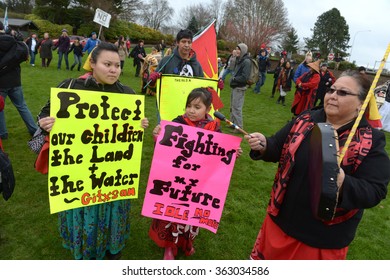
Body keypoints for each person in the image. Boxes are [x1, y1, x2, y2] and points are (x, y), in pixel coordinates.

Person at [245, 69, 390, 260]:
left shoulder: (370, 140)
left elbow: (375, 190)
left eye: (343, 93)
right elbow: (278, 146)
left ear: (361, 104)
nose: (332, 96)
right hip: (280, 221)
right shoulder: (307, 118)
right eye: (331, 90)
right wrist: (264, 145)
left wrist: (342, 181)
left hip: (321, 240)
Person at [36, 42, 149, 260]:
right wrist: (45, 123)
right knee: (83, 213)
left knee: (112, 213)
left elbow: (129, 140)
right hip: (79, 175)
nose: (113, 70)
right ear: (93, 64)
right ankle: (84, 248)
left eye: (117, 65)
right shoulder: (70, 87)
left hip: (113, 176)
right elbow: (43, 113)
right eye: (107, 64)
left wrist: (139, 125)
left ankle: (111, 248)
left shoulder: (128, 94)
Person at [149, 87, 241, 260]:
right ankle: (169, 246)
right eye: (189, 106)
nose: (191, 110)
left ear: (207, 109)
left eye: (197, 107)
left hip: (199, 182)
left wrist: (231, 152)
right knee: (172, 214)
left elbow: (219, 153)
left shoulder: (214, 127)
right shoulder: (178, 122)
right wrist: (157, 136)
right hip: (176, 179)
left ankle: (186, 243)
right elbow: (164, 148)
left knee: (191, 214)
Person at [0, 21, 38, 140]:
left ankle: (2, 133)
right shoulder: (14, 41)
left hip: (1, 82)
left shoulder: (13, 41)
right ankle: (34, 130)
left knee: (0, 108)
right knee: (22, 106)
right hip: (15, 80)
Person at [229, 43, 251, 133]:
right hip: (235, 86)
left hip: (239, 87)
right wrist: (233, 57)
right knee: (233, 106)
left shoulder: (246, 61)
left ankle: (239, 127)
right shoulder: (240, 59)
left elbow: (245, 77)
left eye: (239, 49)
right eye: (236, 49)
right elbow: (231, 68)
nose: (237, 51)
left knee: (237, 108)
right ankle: (233, 124)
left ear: (243, 50)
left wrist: (234, 78)